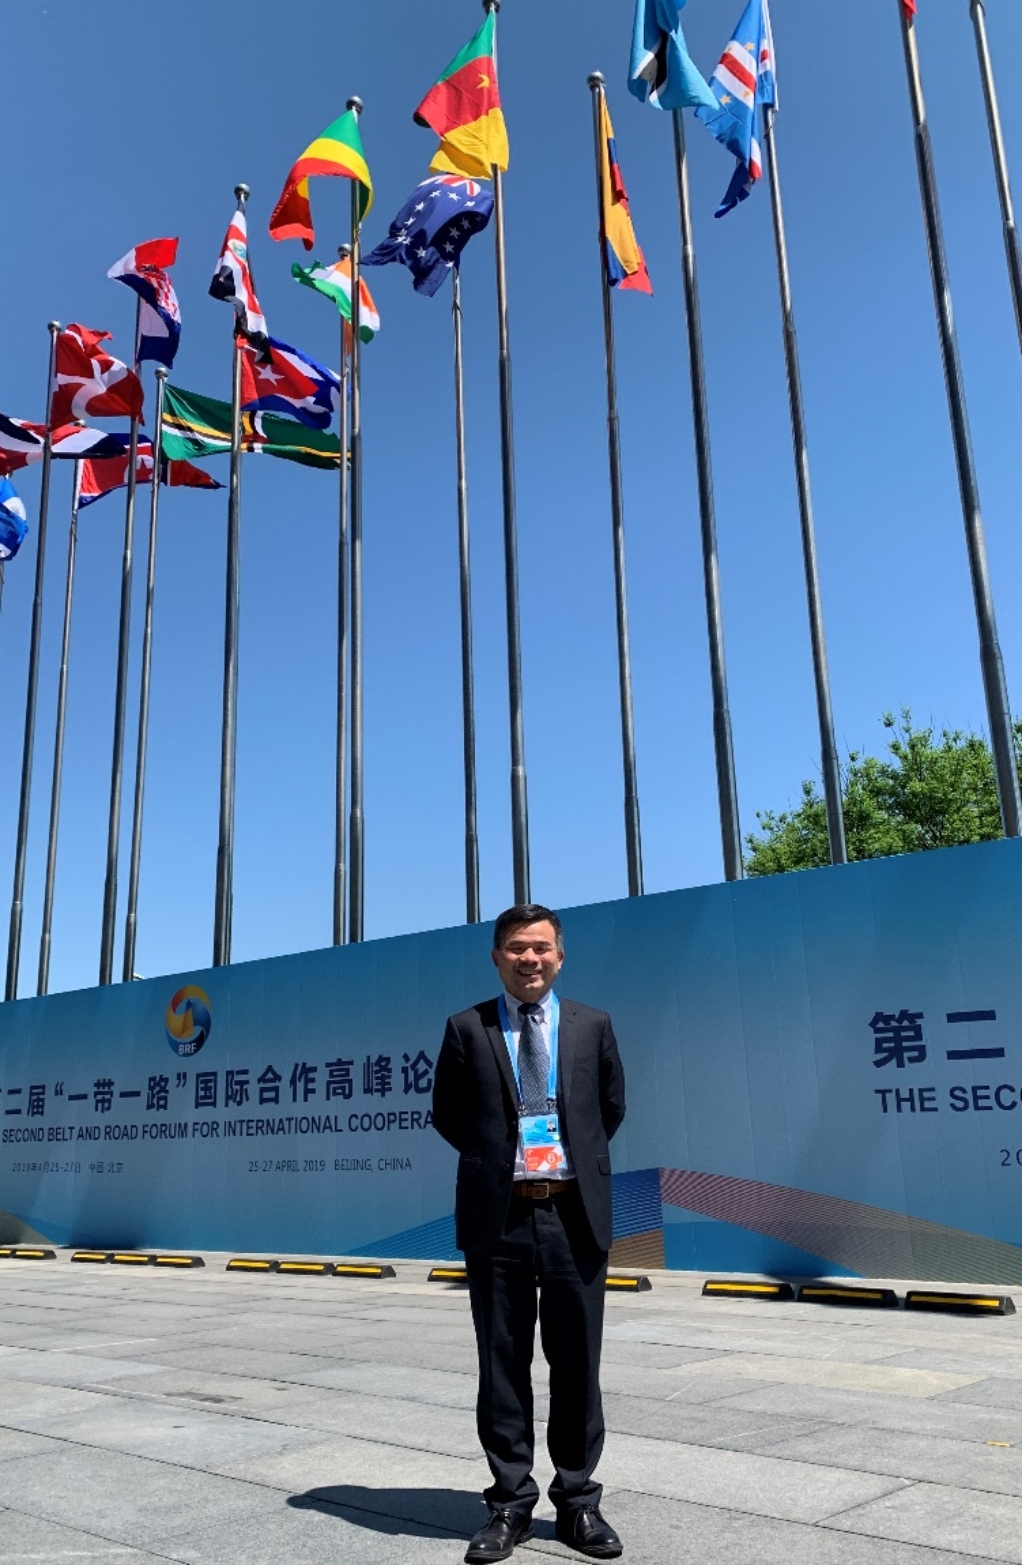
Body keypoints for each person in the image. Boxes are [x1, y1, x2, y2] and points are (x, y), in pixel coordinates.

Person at [433, 904, 626, 1563]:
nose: (530, 959)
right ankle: (509, 1504)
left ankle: (578, 1503)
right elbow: (449, 1114)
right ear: (497, 957)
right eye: (517, 948)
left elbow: (609, 1108)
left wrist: (566, 1163)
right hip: (500, 1217)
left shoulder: (593, 1026)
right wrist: (501, 1163)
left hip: (574, 1215)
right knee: (503, 1364)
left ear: (560, 957)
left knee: (577, 1363)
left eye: (542, 948)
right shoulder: (468, 1027)